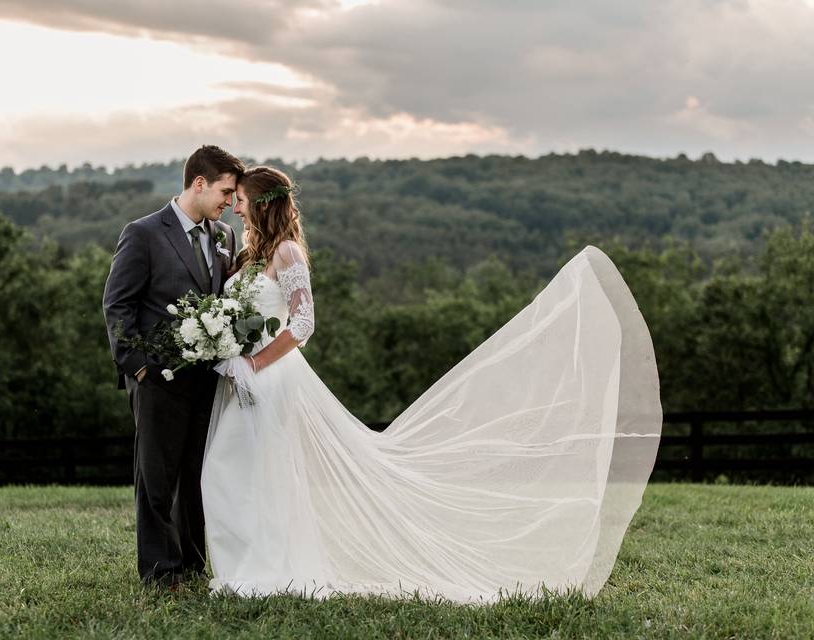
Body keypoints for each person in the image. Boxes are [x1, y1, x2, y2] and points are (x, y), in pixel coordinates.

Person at [201, 165, 663, 603]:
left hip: (270, 377)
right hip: (241, 375)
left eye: (240, 200)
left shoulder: (287, 253)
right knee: (233, 470)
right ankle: (243, 565)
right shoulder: (250, 253)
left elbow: (303, 323)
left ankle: (265, 570)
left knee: (255, 470)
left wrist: (255, 363)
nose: (236, 208)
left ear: (262, 204)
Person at [102, 144, 244, 589]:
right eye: (224, 191)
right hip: (156, 379)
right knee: (157, 478)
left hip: (206, 378)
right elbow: (117, 305)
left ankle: (192, 565)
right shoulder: (143, 233)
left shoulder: (224, 237)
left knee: (198, 475)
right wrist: (139, 367)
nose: (229, 203)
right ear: (198, 183)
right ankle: (161, 572)